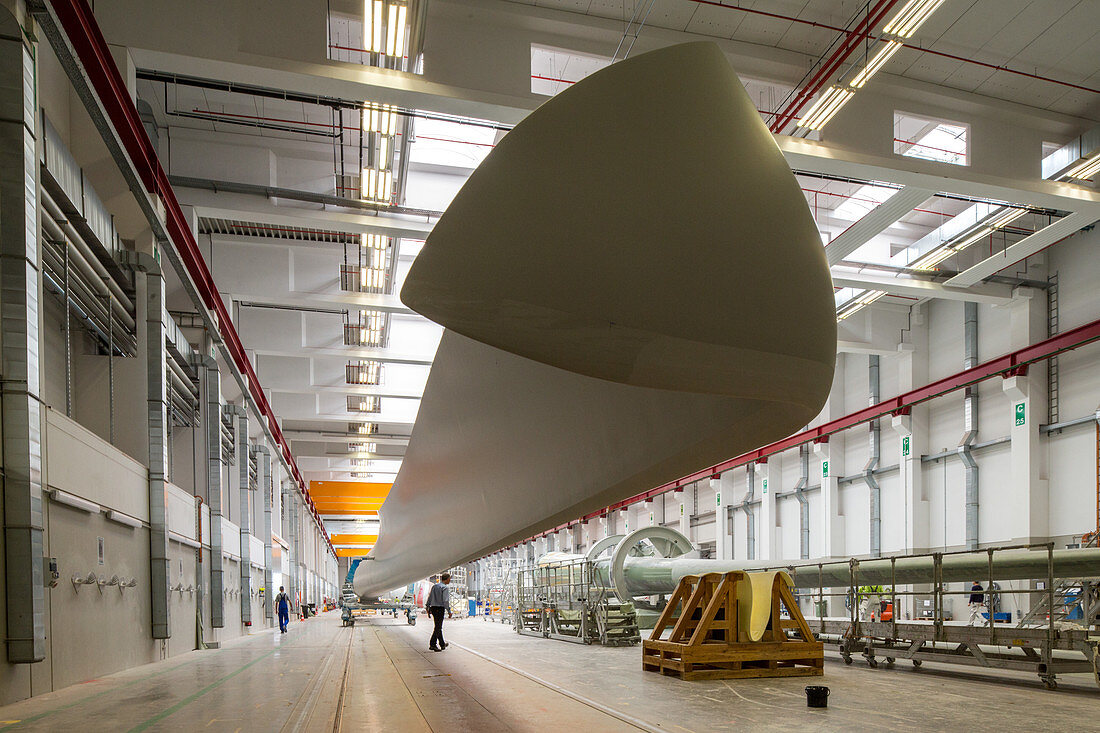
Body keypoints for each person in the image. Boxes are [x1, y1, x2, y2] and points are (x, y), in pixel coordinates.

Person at [425, 572, 453, 651]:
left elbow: (430, 597)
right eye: (449, 579)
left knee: (438, 626)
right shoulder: (445, 588)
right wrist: (449, 611)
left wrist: (427, 607)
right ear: (447, 579)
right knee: (438, 627)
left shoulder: (435, 586)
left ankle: (442, 644)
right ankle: (432, 644)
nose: (450, 580)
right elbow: (445, 601)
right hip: (440, 609)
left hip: (433, 608)